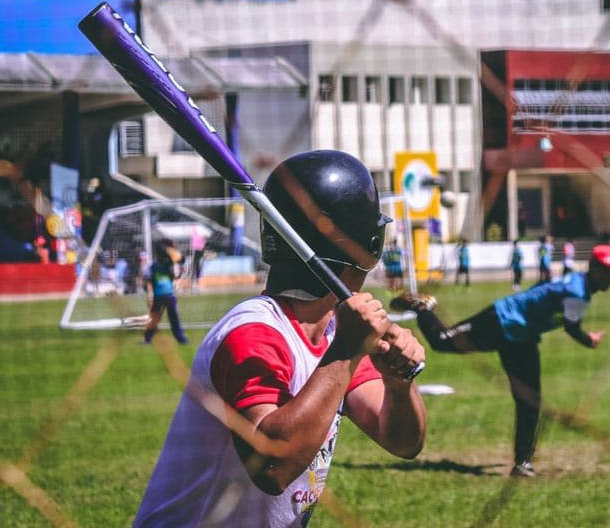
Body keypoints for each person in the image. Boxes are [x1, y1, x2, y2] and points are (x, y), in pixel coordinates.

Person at [134, 151, 426, 527]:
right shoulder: (253, 335)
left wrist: (399, 383)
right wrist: (344, 354)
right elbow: (272, 466)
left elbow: (402, 442)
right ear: (366, 245)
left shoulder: (336, 334)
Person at [391, 244, 610, 478]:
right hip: (501, 320)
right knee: (441, 340)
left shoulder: (575, 281)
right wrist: (589, 340)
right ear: (592, 267)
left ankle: (523, 462)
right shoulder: (578, 293)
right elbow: (572, 328)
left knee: (530, 401)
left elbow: (546, 292)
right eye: (605, 271)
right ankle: (423, 307)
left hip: (522, 337)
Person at [142, 239, 188, 345]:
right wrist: (150, 296)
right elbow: (149, 282)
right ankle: (147, 338)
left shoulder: (170, 265)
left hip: (169, 296)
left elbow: (181, 260)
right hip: (158, 296)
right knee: (154, 318)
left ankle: (180, 338)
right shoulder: (153, 267)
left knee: (174, 318)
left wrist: (171, 251)